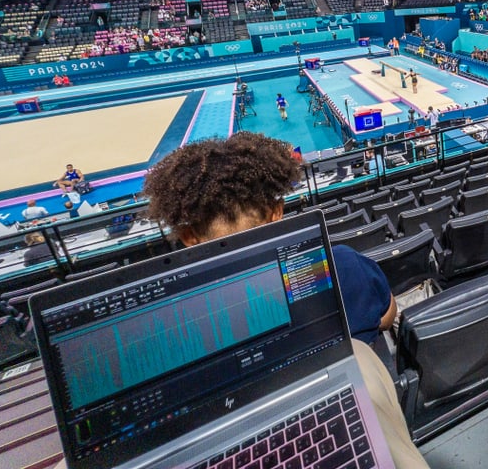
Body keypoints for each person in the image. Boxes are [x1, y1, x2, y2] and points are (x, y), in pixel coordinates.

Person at [139, 133, 426, 465]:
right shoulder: (343, 263)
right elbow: (388, 315)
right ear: (276, 212)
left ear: (189, 236)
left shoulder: (176, 323)